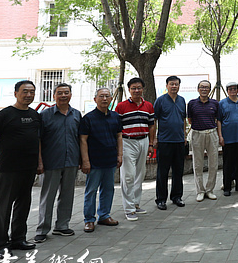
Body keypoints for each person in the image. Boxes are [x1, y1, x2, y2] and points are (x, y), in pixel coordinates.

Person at [0, 80, 43, 256]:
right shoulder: (3, 115)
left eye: (32, 92)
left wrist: (39, 163)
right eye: (25, 91)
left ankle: (18, 239)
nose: (28, 95)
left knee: (23, 204)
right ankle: (0, 244)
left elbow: (37, 141)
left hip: (28, 168)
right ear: (16, 93)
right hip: (9, 168)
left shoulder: (35, 116)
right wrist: (6, 153)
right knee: (4, 206)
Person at [34, 83, 81, 243]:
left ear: (70, 95)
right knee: (48, 197)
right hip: (51, 161)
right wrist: (39, 162)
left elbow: (80, 139)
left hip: (71, 161)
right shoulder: (45, 115)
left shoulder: (76, 114)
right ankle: (42, 229)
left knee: (67, 195)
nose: (63, 95)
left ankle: (62, 226)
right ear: (54, 95)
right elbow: (38, 140)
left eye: (66, 92)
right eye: (60, 93)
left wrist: (82, 160)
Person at [79, 88, 123, 232]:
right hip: (94, 161)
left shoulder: (115, 117)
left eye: (107, 96)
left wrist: (120, 155)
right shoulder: (88, 118)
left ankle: (104, 215)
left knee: (108, 189)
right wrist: (85, 161)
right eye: (101, 96)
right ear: (95, 99)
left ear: (111, 99)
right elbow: (83, 140)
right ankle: (89, 219)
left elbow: (119, 137)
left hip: (110, 159)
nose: (104, 99)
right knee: (91, 190)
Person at [116, 77, 155, 221]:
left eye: (139, 88)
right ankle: (129, 209)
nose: (136, 90)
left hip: (143, 140)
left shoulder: (148, 106)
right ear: (129, 90)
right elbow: (117, 128)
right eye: (133, 88)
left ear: (143, 89)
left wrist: (151, 143)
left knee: (140, 173)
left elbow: (151, 125)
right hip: (127, 142)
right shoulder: (121, 106)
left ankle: (136, 204)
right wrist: (118, 147)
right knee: (128, 175)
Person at [154, 76, 187, 210]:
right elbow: (155, 120)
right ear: (167, 85)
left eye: (176, 84)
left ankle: (177, 196)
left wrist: (184, 136)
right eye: (171, 84)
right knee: (163, 171)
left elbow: (183, 119)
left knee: (178, 171)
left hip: (179, 141)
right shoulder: (160, 101)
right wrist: (155, 138)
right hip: (164, 141)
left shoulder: (181, 100)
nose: (174, 86)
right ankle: (161, 199)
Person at [188, 80, 220, 202]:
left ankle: (210, 190)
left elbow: (217, 119)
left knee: (213, 163)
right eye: (202, 87)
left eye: (207, 87)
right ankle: (200, 191)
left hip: (212, 133)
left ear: (210, 89)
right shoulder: (192, 104)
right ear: (198, 89)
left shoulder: (215, 103)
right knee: (198, 164)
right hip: (197, 134)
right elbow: (190, 120)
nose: (204, 89)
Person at [219, 82, 238, 196]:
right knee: (228, 163)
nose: (233, 91)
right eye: (230, 89)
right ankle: (227, 187)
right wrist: (220, 136)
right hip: (228, 138)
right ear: (227, 91)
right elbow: (219, 120)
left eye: (235, 89)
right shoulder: (222, 103)